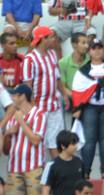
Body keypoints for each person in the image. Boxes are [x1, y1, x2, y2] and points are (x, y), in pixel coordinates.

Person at [23, 26, 67, 158]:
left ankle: (59, 173)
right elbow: (27, 86)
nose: (54, 39)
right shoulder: (29, 59)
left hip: (54, 106)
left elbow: (57, 77)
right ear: (42, 39)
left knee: (56, 143)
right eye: (51, 37)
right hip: (38, 108)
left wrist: (64, 94)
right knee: (39, 143)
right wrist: (30, 109)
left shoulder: (53, 54)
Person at [4, 83, 47, 195]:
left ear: (22, 96)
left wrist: (21, 122)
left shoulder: (39, 115)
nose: (12, 98)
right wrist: (7, 135)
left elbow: (35, 140)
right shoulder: (12, 117)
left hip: (33, 168)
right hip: (14, 169)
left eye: (14, 95)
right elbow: (6, 151)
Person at [41, 131, 84, 195]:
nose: (76, 146)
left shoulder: (79, 162)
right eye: (73, 144)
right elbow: (45, 191)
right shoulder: (52, 165)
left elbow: (84, 185)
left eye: (76, 143)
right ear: (63, 146)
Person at [59, 32, 89, 104]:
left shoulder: (91, 60)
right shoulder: (63, 63)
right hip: (72, 97)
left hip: (89, 98)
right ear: (74, 45)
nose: (87, 46)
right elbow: (62, 87)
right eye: (83, 43)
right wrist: (77, 96)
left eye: (87, 43)